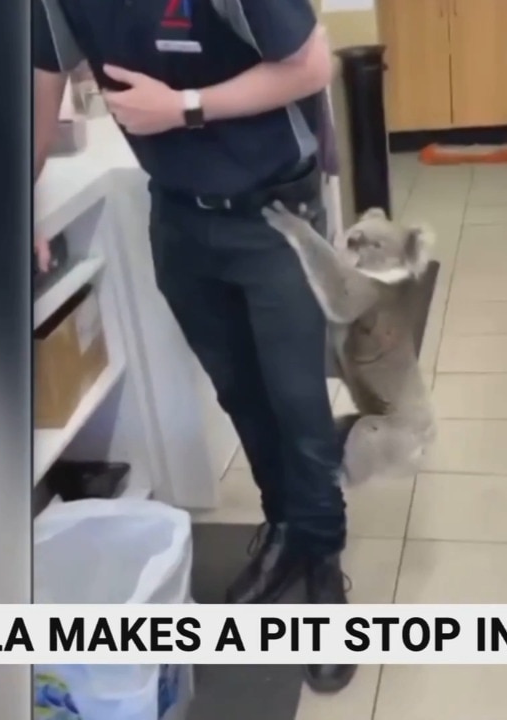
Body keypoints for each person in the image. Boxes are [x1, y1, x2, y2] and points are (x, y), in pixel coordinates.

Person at [32, 0, 354, 692]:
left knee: (298, 404)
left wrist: (184, 106)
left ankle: (323, 559)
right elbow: (44, 81)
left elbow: (312, 63)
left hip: (276, 218)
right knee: (239, 391)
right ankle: (284, 527)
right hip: (177, 218)